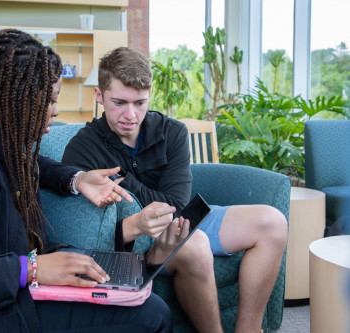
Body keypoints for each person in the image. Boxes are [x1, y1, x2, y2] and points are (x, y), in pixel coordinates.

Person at [0, 31, 172, 333]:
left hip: (7, 298)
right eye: (49, 99)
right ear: (16, 99)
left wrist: (77, 179)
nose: (56, 111)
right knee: (152, 315)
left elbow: (31, 164)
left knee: (121, 281)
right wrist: (30, 268)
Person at [62, 46, 288, 333]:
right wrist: (143, 207)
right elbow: (84, 227)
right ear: (99, 96)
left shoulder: (173, 131)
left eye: (140, 103)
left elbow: (175, 207)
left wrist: (123, 183)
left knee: (273, 223)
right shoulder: (81, 148)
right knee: (194, 244)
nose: (131, 115)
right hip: (133, 243)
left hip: (181, 222)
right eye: (119, 102)